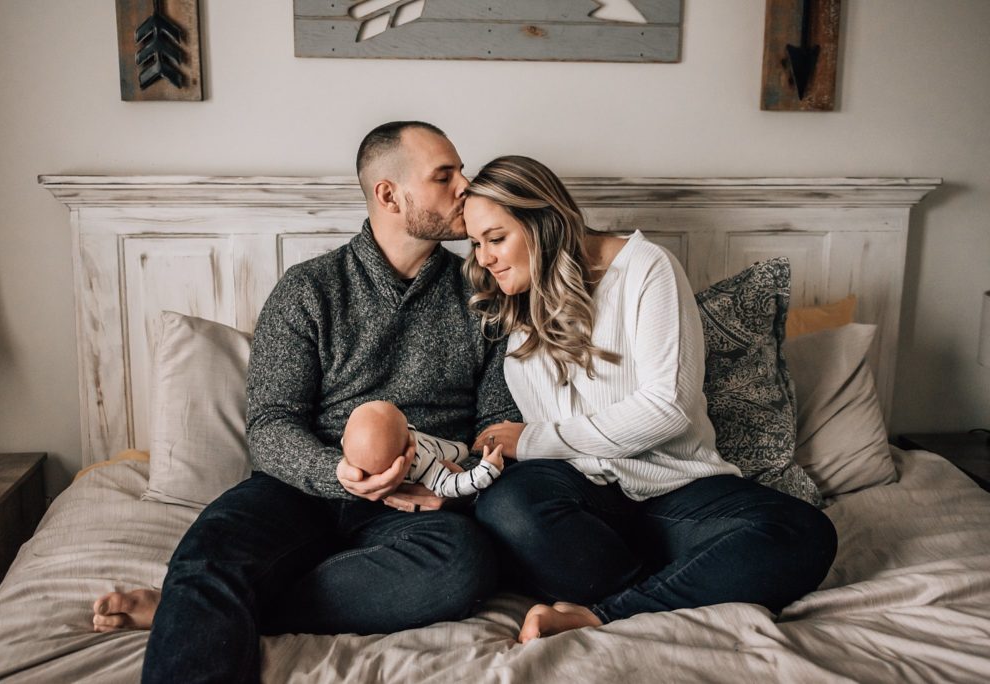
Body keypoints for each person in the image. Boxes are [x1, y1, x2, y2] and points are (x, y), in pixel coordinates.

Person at [91, 122, 522, 682]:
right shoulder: (309, 289)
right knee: (210, 552)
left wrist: (455, 487)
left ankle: (212, 608)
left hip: (420, 496)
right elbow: (270, 425)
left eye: (461, 171)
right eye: (445, 175)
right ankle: (203, 599)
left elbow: (496, 423)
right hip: (303, 488)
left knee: (461, 567)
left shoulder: (484, 295)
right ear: (388, 194)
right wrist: (336, 473)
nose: (466, 185)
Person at [461, 156, 838, 644]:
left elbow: (669, 408)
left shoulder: (645, 267)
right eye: (474, 243)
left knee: (806, 532)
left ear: (545, 222)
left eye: (495, 238)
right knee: (508, 506)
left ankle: (607, 612)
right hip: (582, 504)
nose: (484, 258)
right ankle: (682, 585)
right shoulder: (512, 299)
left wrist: (534, 441)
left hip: (676, 489)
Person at [342, 399, 505, 498]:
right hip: (455, 455)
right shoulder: (420, 464)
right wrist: (486, 470)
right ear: (408, 445)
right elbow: (451, 485)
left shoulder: (353, 447)